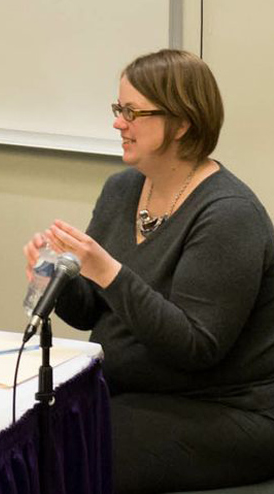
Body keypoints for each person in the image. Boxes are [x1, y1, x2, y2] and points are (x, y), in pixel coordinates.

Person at [23, 49, 274, 494]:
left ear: (182, 123)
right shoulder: (122, 190)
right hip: (132, 391)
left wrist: (108, 272)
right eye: (119, 109)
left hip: (226, 408)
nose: (119, 123)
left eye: (133, 112)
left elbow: (196, 347)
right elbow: (90, 314)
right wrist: (54, 276)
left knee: (73, 448)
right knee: (20, 425)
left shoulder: (229, 215)